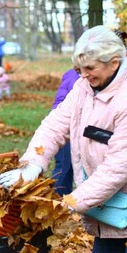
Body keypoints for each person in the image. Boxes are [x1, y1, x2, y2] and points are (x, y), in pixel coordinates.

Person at [0, 25, 127, 253]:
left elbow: (115, 171)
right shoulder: (84, 88)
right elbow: (54, 126)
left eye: (90, 69)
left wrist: (68, 203)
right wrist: (33, 163)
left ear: (114, 62)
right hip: (112, 212)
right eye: (79, 70)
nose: (83, 76)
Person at [50, 66, 80, 196]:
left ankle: (64, 200)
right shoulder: (78, 79)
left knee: (68, 166)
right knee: (64, 165)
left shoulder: (72, 74)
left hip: (72, 124)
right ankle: (57, 200)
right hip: (65, 125)